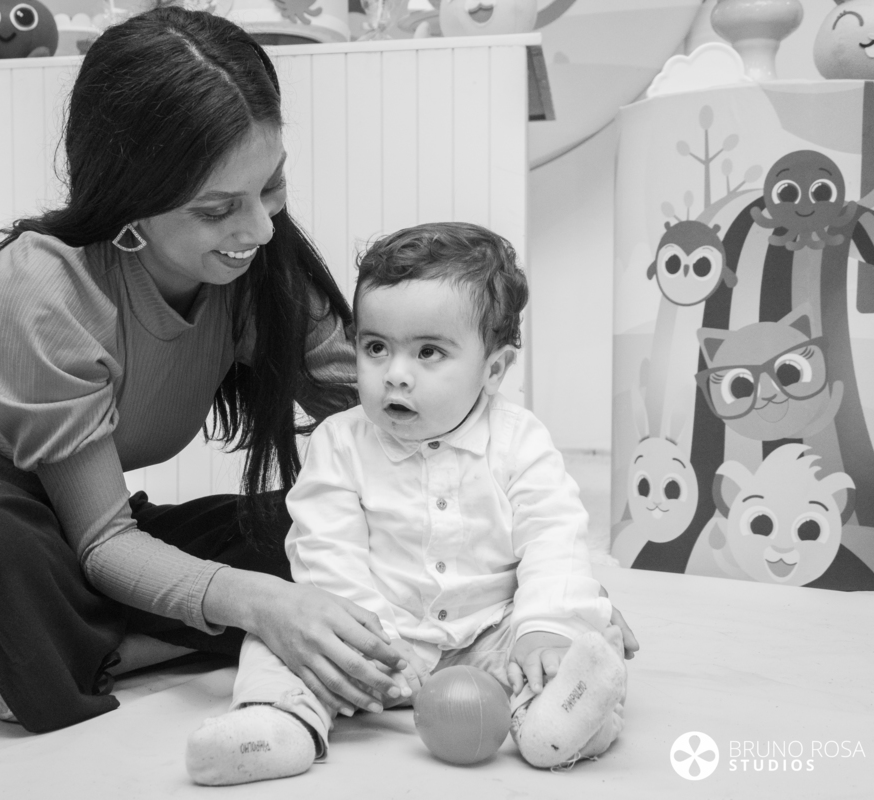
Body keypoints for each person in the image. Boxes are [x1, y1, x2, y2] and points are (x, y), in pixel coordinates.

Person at [0, 7, 413, 734]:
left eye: (272, 186)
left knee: (314, 524)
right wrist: (263, 603)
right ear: (130, 201)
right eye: (218, 209)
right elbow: (104, 545)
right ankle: (83, 642)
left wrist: (504, 530)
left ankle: (59, 650)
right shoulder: (43, 286)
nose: (260, 229)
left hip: (86, 541)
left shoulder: (259, 266)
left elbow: (388, 409)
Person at [185, 223, 636, 785]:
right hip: (377, 641)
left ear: (493, 369)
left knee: (584, 633)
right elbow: (325, 550)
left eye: (428, 352)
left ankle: (554, 718)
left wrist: (545, 624)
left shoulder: (520, 441)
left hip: (489, 634)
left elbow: (554, 536)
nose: (395, 374)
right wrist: (371, 639)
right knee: (275, 642)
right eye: (376, 348)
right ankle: (278, 724)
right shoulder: (340, 442)